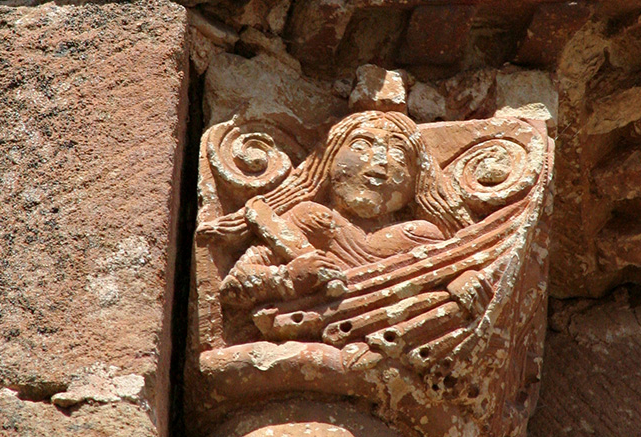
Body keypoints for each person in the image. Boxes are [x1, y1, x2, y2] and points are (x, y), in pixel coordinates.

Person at [198, 111, 472, 311]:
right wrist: (289, 278)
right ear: (327, 162)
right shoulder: (307, 218)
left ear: (419, 181)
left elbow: (446, 286)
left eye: (398, 154)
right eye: (360, 146)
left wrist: (465, 280)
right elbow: (233, 286)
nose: (379, 164)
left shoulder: (426, 236)